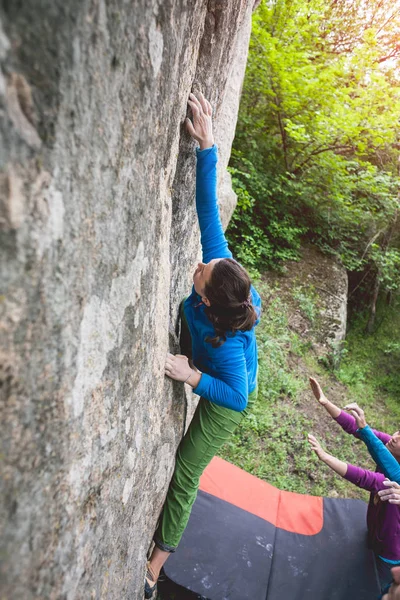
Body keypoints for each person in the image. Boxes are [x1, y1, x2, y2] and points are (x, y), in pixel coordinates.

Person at [144, 92, 261, 598]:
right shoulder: (224, 276)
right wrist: (207, 143)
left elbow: (238, 397)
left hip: (224, 400)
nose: (199, 265)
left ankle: (155, 565)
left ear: (211, 303)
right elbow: (208, 211)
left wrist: (193, 377)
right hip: (201, 348)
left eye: (203, 272)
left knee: (186, 470)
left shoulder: (231, 348)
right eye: (206, 264)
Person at [308, 377, 400, 593]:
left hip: (390, 552)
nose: (395, 436)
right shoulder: (391, 445)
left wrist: (326, 457)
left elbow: (364, 477)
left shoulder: (395, 480)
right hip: (375, 528)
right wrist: (325, 402)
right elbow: (358, 429)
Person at [342, 402, 400, 484]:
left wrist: (324, 456)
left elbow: (366, 478)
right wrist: (326, 402)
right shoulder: (389, 441)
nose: (394, 438)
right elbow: (354, 425)